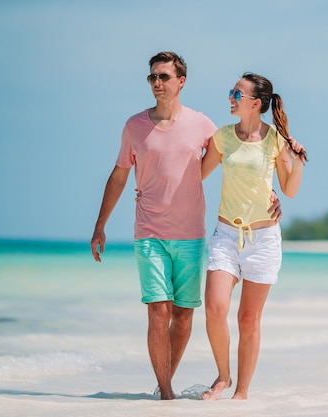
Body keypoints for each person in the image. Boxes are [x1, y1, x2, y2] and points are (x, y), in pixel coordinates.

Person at [89, 53, 281, 400]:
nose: (157, 83)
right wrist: (100, 225)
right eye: (152, 78)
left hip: (191, 234)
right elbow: (119, 176)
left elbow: (241, 157)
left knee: (183, 316)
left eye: (163, 76)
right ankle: (165, 392)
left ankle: (168, 385)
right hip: (148, 232)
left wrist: (269, 193)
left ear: (181, 81)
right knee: (158, 311)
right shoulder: (134, 126)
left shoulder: (204, 126)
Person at [200, 72, 307, 400]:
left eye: (236, 93)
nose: (230, 97)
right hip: (226, 234)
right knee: (215, 307)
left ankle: (241, 393)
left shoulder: (276, 139)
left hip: (263, 240)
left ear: (255, 104)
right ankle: (223, 376)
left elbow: (288, 190)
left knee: (248, 318)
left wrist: (298, 160)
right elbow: (196, 175)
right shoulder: (223, 137)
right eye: (231, 92)